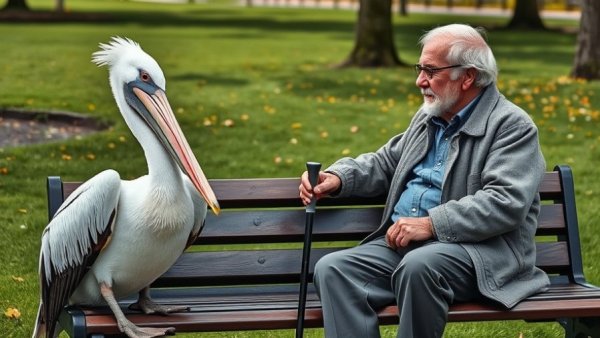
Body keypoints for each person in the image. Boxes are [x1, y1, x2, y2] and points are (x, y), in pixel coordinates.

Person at [298, 24, 549, 338]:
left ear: (468, 76)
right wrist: (337, 178)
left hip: (477, 256)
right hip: (405, 247)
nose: (420, 81)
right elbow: (387, 161)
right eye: (420, 69)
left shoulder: (511, 126)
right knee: (334, 270)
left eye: (431, 70)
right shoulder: (430, 114)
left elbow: (504, 202)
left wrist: (431, 224)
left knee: (420, 266)